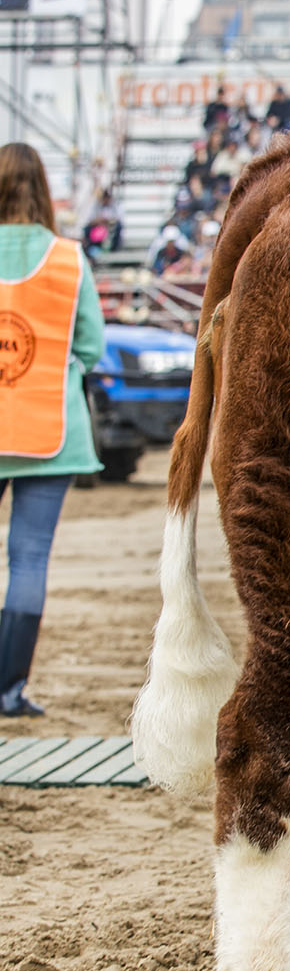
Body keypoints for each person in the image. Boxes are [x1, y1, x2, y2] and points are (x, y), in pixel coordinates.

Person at [0, 143, 105, 717]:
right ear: (43, 189)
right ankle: (9, 689)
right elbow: (90, 346)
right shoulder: (68, 259)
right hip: (50, 429)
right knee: (29, 559)